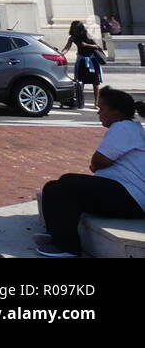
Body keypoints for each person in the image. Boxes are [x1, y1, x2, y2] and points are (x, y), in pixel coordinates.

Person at [37, 87, 145, 257]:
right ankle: (57, 236)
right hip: (122, 196)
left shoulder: (123, 127)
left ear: (116, 112)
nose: (98, 113)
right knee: (52, 187)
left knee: (68, 181)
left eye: (102, 109)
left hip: (131, 198)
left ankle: (68, 247)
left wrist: (96, 165)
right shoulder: (129, 128)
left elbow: (99, 161)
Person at [62, 20, 105, 109]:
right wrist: (61, 54)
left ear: (80, 29)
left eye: (76, 29)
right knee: (80, 82)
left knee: (95, 82)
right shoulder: (72, 38)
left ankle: (96, 102)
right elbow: (67, 47)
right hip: (82, 61)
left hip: (92, 61)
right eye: (73, 28)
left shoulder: (88, 36)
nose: (74, 30)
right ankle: (80, 101)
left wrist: (86, 45)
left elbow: (97, 47)